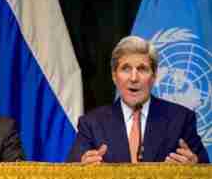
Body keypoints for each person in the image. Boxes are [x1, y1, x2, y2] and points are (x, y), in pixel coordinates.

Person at [68, 36, 209, 164]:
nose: (134, 78)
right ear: (114, 76)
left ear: (153, 77)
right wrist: (82, 168)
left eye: (142, 69)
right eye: (126, 69)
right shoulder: (92, 123)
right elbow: (71, 175)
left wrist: (195, 166)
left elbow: (206, 176)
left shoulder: (181, 119)